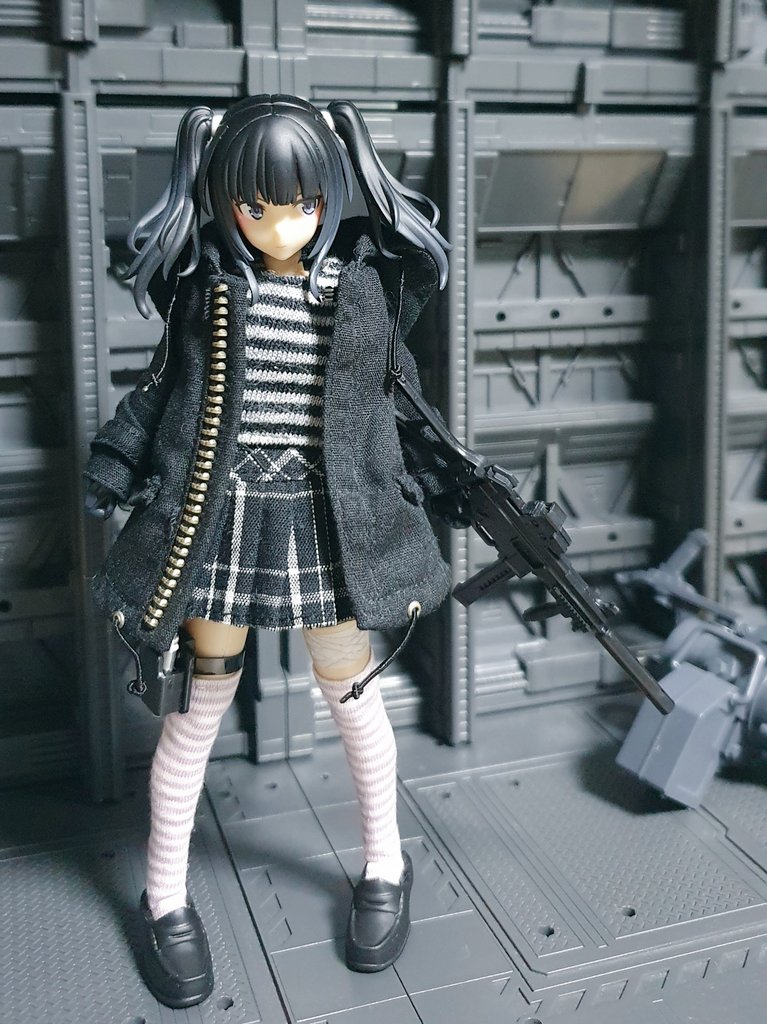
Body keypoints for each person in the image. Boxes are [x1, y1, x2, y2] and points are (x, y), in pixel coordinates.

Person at [84, 93, 452, 1008]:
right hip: (221, 526)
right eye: (256, 207)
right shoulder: (208, 296)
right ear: (225, 203)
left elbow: (402, 404)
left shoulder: (358, 297)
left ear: (329, 198)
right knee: (195, 711)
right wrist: (113, 466)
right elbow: (160, 395)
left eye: (303, 204)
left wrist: (448, 479)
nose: (282, 226)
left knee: (352, 698)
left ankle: (384, 863)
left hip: (331, 529)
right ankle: (164, 896)